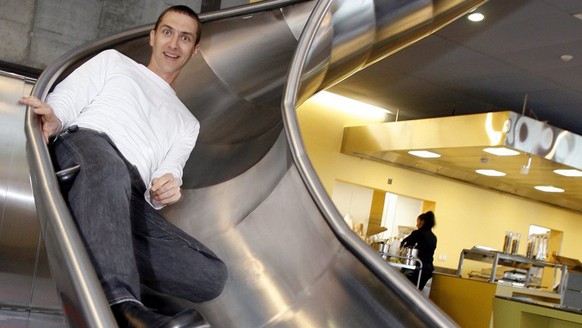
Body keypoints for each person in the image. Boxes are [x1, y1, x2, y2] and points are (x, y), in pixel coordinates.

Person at [21, 5, 227, 328]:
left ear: (195, 50)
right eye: (168, 33)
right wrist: (54, 118)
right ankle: (123, 309)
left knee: (211, 275)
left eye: (185, 38)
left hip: (128, 195)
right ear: (152, 36)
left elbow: (168, 173)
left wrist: (166, 189)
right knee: (110, 168)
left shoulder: (188, 123)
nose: (173, 44)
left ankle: (99, 231)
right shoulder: (114, 63)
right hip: (87, 150)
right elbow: (69, 99)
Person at [400, 211, 437, 291]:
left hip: (417, 268)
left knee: (407, 290)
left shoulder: (417, 233)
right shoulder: (434, 237)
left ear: (422, 222)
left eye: (417, 222)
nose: (416, 225)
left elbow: (404, 243)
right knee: (417, 291)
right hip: (428, 269)